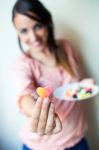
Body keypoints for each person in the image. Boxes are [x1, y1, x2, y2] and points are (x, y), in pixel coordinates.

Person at [12, 0, 93, 150]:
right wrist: (38, 111)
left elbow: (75, 85)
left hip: (77, 137)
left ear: (47, 22)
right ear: (17, 32)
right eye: (24, 31)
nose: (34, 37)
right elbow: (25, 96)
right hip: (42, 145)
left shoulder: (66, 47)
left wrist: (85, 84)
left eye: (38, 26)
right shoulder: (22, 65)